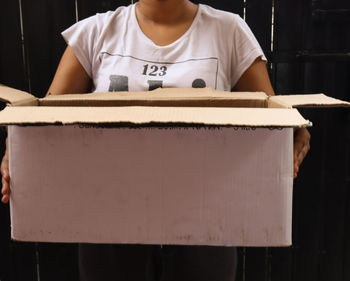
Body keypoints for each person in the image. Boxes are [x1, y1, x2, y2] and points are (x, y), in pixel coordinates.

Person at [1, 0, 311, 280]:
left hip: (207, 216)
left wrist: (293, 130)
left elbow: (270, 113)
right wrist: (18, 150)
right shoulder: (96, 32)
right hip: (108, 216)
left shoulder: (229, 31)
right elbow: (43, 122)